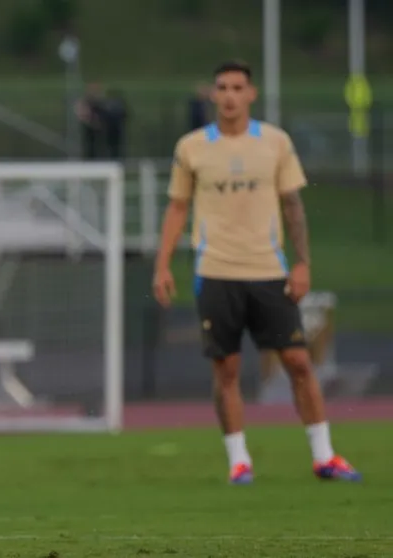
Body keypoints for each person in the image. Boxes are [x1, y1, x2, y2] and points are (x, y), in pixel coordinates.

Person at [152, 61, 360, 485]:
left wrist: (301, 264)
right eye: (222, 87)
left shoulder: (274, 143)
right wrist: (162, 265)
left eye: (237, 87)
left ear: (251, 94)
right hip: (216, 271)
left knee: (298, 361)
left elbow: (293, 206)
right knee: (226, 369)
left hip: (268, 270)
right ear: (214, 94)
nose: (229, 95)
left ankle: (324, 456)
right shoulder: (192, 147)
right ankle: (239, 461)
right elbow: (177, 207)